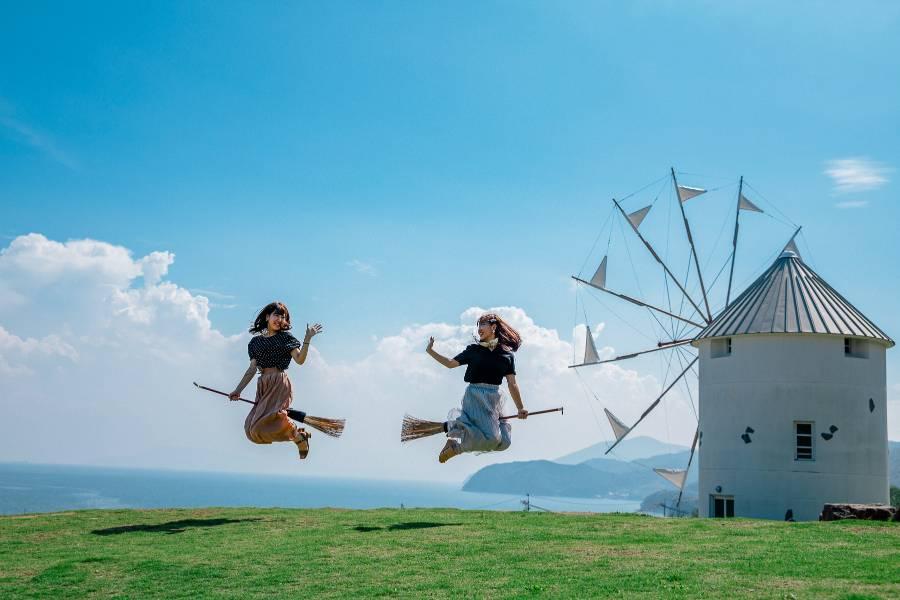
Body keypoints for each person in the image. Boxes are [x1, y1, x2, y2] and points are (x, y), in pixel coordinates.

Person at [425, 312, 528, 463]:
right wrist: (430, 351)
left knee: (505, 442)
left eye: (483, 324)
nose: (479, 328)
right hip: (475, 395)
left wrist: (520, 408)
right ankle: (456, 446)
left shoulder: (507, 355)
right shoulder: (473, 350)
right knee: (491, 439)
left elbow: (512, 384)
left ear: (493, 327)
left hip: (495, 398)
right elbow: (450, 364)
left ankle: (457, 429)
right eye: (478, 325)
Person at [229, 301, 322, 459]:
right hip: (263, 384)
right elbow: (252, 369)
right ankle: (298, 435)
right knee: (251, 431)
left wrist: (307, 339)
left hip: (279, 382)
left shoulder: (286, 338)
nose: (280, 319)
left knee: (258, 428)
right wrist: (238, 390)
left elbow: (300, 360)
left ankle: (295, 433)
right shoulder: (255, 343)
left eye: (283, 316)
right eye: (276, 315)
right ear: (267, 316)